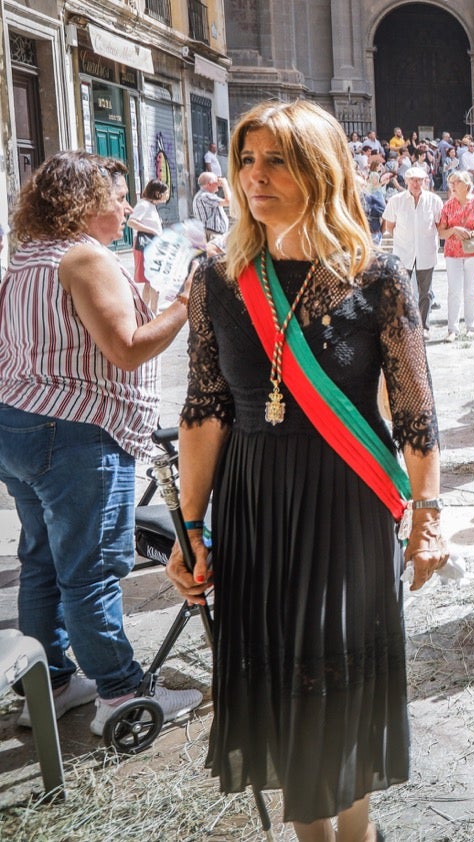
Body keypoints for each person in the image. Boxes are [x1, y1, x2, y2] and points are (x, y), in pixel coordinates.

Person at [165, 101, 448, 841]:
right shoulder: (216, 279)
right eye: (247, 160)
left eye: (277, 161)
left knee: (341, 682)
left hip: (346, 502)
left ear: (319, 171)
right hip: (254, 502)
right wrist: (190, 528)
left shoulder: (375, 276)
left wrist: (428, 518)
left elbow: (416, 411)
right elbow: (205, 409)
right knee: (276, 675)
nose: (255, 176)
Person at [0, 153, 199, 735]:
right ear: (85, 202)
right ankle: (118, 691)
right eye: (116, 196)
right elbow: (129, 348)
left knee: (41, 560)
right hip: (75, 431)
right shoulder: (83, 257)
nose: (126, 206)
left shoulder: (27, 257)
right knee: (89, 571)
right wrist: (185, 303)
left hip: (20, 422)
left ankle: (53, 681)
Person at [383, 165, 444, 333]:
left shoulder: (434, 200)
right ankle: (401, 326)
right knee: (400, 290)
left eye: (420, 180)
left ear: (425, 181)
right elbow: (389, 226)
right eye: (413, 180)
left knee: (426, 293)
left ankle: (423, 327)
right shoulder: (396, 200)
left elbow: (440, 225)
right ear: (406, 181)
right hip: (403, 252)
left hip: (426, 251)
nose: (416, 184)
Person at [439, 170, 474, 340]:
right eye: (451, 182)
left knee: (470, 290)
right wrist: (454, 230)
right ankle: (452, 329)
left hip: (473, 251)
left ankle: (471, 326)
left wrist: (470, 233)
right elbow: (441, 232)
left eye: (457, 182)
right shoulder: (448, 205)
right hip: (452, 252)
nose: (452, 186)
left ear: (467, 184)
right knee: (453, 290)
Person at [126, 179, 170, 310]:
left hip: (151, 245)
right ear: (157, 193)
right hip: (146, 245)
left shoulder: (150, 206)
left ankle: (146, 311)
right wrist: (152, 230)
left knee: (149, 282)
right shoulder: (143, 205)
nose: (167, 195)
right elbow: (131, 222)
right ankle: (153, 312)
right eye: (165, 193)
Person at [195, 171, 231, 241]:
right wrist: (225, 185)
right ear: (209, 183)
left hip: (214, 233)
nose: (218, 184)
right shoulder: (205, 196)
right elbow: (228, 201)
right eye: (216, 181)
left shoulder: (205, 195)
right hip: (213, 234)